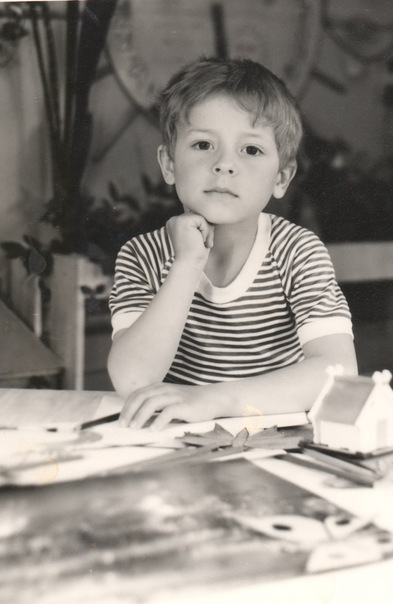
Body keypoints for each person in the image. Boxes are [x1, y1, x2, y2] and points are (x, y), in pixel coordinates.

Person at [108, 57, 357, 430]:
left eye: (251, 150)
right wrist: (185, 266)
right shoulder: (141, 256)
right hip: (176, 439)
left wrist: (215, 400)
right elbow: (132, 380)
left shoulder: (297, 252)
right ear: (169, 164)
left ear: (281, 177)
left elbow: (337, 371)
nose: (224, 164)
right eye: (203, 144)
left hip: (274, 437)